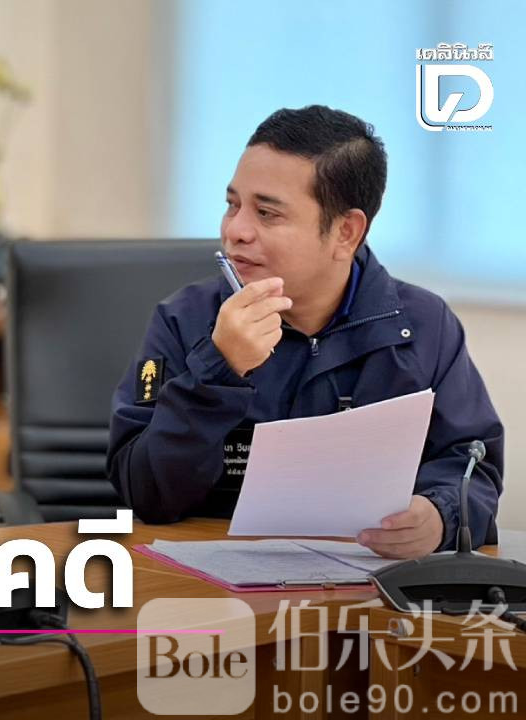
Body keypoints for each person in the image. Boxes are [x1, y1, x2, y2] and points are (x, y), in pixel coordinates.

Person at [108, 105, 503, 560]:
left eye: (267, 213)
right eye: (233, 205)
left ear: (346, 232)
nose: (236, 230)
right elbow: (146, 494)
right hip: (207, 578)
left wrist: (440, 516)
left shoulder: (423, 326)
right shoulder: (186, 319)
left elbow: (472, 464)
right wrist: (218, 369)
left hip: (364, 580)